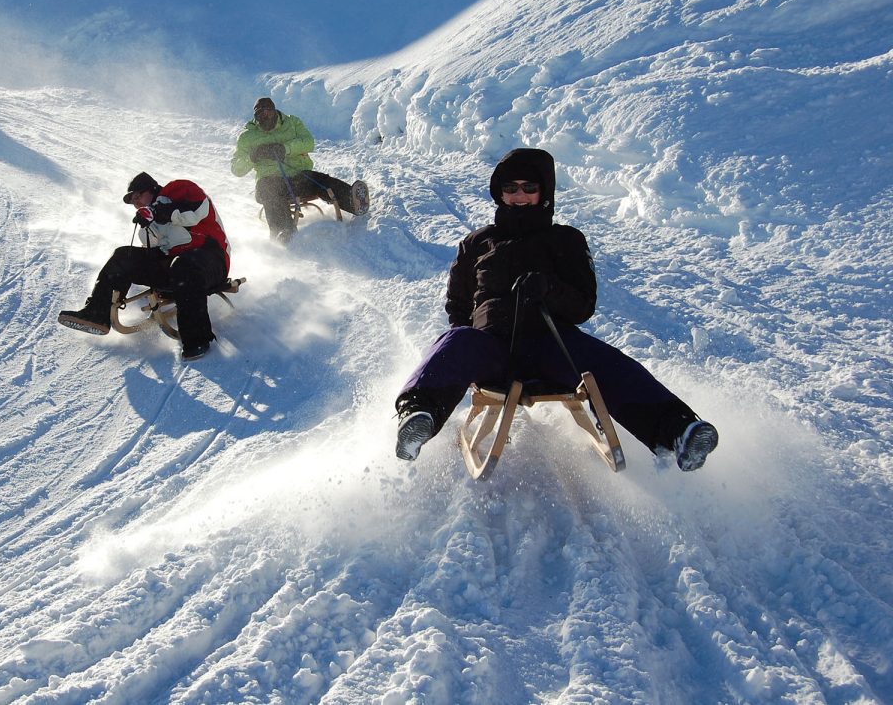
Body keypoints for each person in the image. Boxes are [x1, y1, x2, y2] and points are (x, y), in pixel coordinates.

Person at [394, 147, 719, 471]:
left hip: (550, 344)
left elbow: (583, 306)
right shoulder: (477, 243)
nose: (519, 195)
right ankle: (417, 417)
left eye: (529, 188)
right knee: (457, 339)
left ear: (544, 192)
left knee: (601, 360)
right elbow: (458, 304)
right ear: (499, 193)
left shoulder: (566, 241)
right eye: (510, 188)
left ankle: (678, 430)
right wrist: (468, 351)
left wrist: (549, 289)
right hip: (493, 348)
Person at [58, 172, 231, 361]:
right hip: (174, 268)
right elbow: (154, 248)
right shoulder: (151, 219)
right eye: (133, 201)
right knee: (124, 255)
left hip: (210, 259)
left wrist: (158, 212)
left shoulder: (179, 189)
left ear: (152, 189)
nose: (136, 203)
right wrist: (148, 225)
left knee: (184, 266)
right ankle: (96, 313)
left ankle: (196, 339)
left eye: (138, 196)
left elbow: (196, 213)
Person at [230, 97, 370, 244]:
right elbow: (236, 169)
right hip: (270, 181)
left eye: (268, 113)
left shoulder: (292, 123)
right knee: (269, 189)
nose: (265, 118)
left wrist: (285, 149)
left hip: (297, 176)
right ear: (255, 117)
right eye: (260, 115)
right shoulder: (247, 137)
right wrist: (253, 156)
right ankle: (283, 231)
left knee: (320, 180)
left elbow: (308, 142)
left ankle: (352, 201)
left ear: (275, 112)